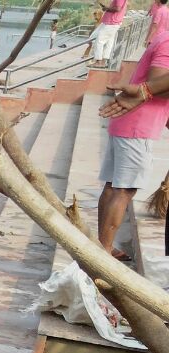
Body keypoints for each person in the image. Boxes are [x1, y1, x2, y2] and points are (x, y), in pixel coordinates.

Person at [95, 32, 169, 260]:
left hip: (130, 122)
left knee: (113, 186)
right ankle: (104, 252)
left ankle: (102, 248)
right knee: (124, 189)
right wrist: (147, 91)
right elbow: (157, 83)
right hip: (138, 125)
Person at [92, 0, 128, 69]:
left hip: (111, 23)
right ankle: (103, 61)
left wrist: (106, 9)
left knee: (99, 41)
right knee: (109, 42)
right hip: (112, 23)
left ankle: (98, 62)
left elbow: (118, 9)